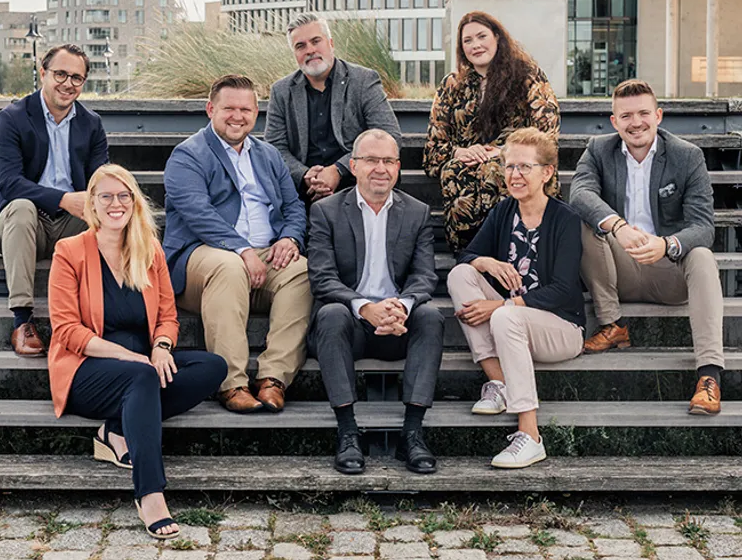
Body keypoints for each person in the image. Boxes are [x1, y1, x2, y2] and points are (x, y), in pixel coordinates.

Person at [48, 164, 227, 540]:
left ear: (134, 202)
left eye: (124, 195)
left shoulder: (149, 250)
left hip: (142, 369)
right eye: (106, 196)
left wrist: (161, 348)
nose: (116, 203)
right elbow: (66, 330)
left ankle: (116, 428)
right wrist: (125, 356)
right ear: (92, 205)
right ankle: (150, 493)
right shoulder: (70, 251)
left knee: (212, 366)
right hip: (87, 370)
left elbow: (167, 316)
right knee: (143, 375)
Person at [570, 79, 724, 415]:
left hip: (669, 273)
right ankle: (613, 325)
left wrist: (667, 244)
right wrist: (619, 227)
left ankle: (709, 377)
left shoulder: (687, 156)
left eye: (643, 113)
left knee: (701, 256)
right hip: (618, 269)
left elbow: (703, 227)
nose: (635, 122)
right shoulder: (598, 149)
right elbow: (580, 195)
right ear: (614, 121)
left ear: (658, 115)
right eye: (626, 115)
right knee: (583, 220)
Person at [164, 74, 312, 414]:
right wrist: (243, 250)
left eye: (245, 109)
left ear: (256, 113)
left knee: (302, 270)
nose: (237, 116)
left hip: (263, 257)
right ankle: (231, 383)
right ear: (210, 109)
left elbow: (293, 206)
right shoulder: (188, 155)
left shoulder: (269, 155)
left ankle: (274, 378)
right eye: (229, 108)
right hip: (201, 259)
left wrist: (290, 237)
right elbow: (198, 213)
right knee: (228, 266)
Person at [308, 129, 444, 475]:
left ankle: (412, 433)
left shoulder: (416, 212)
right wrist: (365, 307)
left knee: (429, 316)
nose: (379, 168)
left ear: (398, 168)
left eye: (388, 161)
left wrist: (403, 305)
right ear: (353, 166)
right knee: (331, 314)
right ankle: (348, 432)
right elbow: (323, 278)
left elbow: (425, 276)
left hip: (397, 325)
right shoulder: (326, 211)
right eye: (370, 160)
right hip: (351, 327)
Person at [447, 127, 584, 469]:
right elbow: (466, 256)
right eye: (509, 167)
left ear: (547, 172)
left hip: (560, 329)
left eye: (525, 167)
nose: (515, 175)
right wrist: (485, 261)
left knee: (505, 316)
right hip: (512, 324)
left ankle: (531, 435)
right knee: (460, 276)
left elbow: (564, 290)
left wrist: (501, 305)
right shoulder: (504, 211)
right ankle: (498, 381)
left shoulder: (565, 219)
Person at [0, 44, 108, 357]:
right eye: (61, 74)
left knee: (106, 215)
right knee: (21, 208)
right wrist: (63, 199)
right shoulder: (13, 117)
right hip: (23, 221)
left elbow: (99, 181)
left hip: (70, 224)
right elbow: (10, 183)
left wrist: (97, 201)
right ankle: (22, 321)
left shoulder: (91, 124)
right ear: (43, 73)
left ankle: (96, 318)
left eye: (77, 77)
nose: (68, 83)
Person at [424, 11, 560, 253]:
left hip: (518, 162)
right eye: (467, 40)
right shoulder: (452, 85)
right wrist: (460, 152)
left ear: (497, 37)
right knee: (456, 170)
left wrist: (502, 152)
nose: (475, 45)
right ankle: (469, 258)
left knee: (497, 169)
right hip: (466, 171)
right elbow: (434, 147)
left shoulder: (527, 76)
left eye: (481, 36)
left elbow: (547, 131)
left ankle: (514, 254)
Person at [265, 12, 402, 203]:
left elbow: (389, 134)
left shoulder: (363, 81)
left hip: (355, 184)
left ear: (331, 43)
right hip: (304, 190)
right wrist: (305, 175)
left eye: (316, 41)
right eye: (300, 46)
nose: (310, 50)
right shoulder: (281, 91)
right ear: (294, 53)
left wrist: (338, 170)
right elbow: (274, 147)